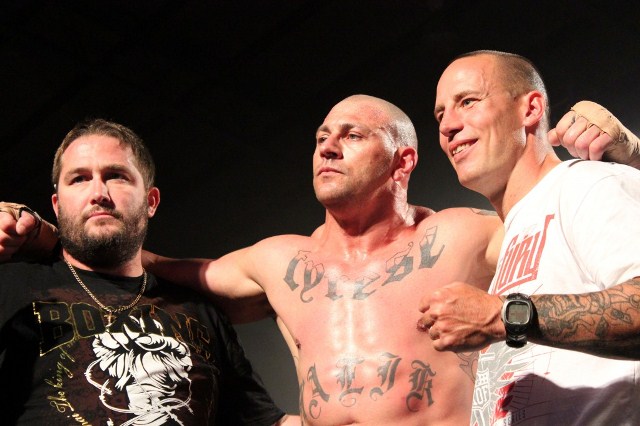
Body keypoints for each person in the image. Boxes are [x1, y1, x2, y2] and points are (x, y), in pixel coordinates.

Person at [1, 96, 625, 425]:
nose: (328, 145)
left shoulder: (467, 235)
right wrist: (47, 239)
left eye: (352, 135)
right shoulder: (279, 261)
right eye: (322, 136)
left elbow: (571, 217)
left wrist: (627, 152)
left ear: (402, 161)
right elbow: (151, 263)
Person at [0, 119, 297, 425]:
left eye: (116, 176)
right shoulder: (13, 288)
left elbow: (265, 422)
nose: (98, 192)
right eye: (79, 179)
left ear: (151, 201)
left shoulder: (199, 309)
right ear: (57, 205)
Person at [420, 50, 640, 425]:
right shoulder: (512, 237)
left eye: (468, 102)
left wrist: (503, 315)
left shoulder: (587, 183)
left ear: (531, 109)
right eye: (441, 115)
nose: (448, 126)